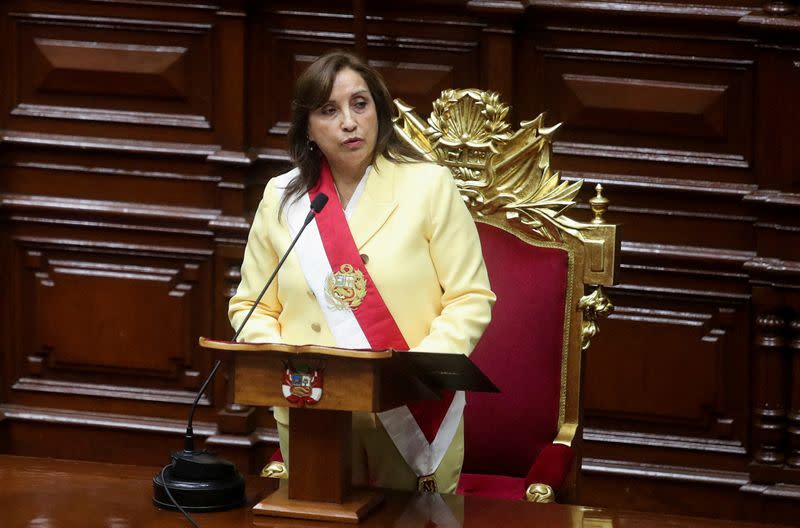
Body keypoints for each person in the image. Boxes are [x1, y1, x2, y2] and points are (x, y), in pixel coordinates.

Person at [228, 50, 495, 493]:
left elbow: (470, 297)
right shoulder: (282, 198)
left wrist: (417, 372)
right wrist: (293, 371)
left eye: (360, 104)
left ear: (379, 111)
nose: (349, 122)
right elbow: (250, 306)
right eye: (329, 111)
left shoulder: (428, 185)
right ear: (308, 129)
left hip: (408, 406)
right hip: (313, 408)